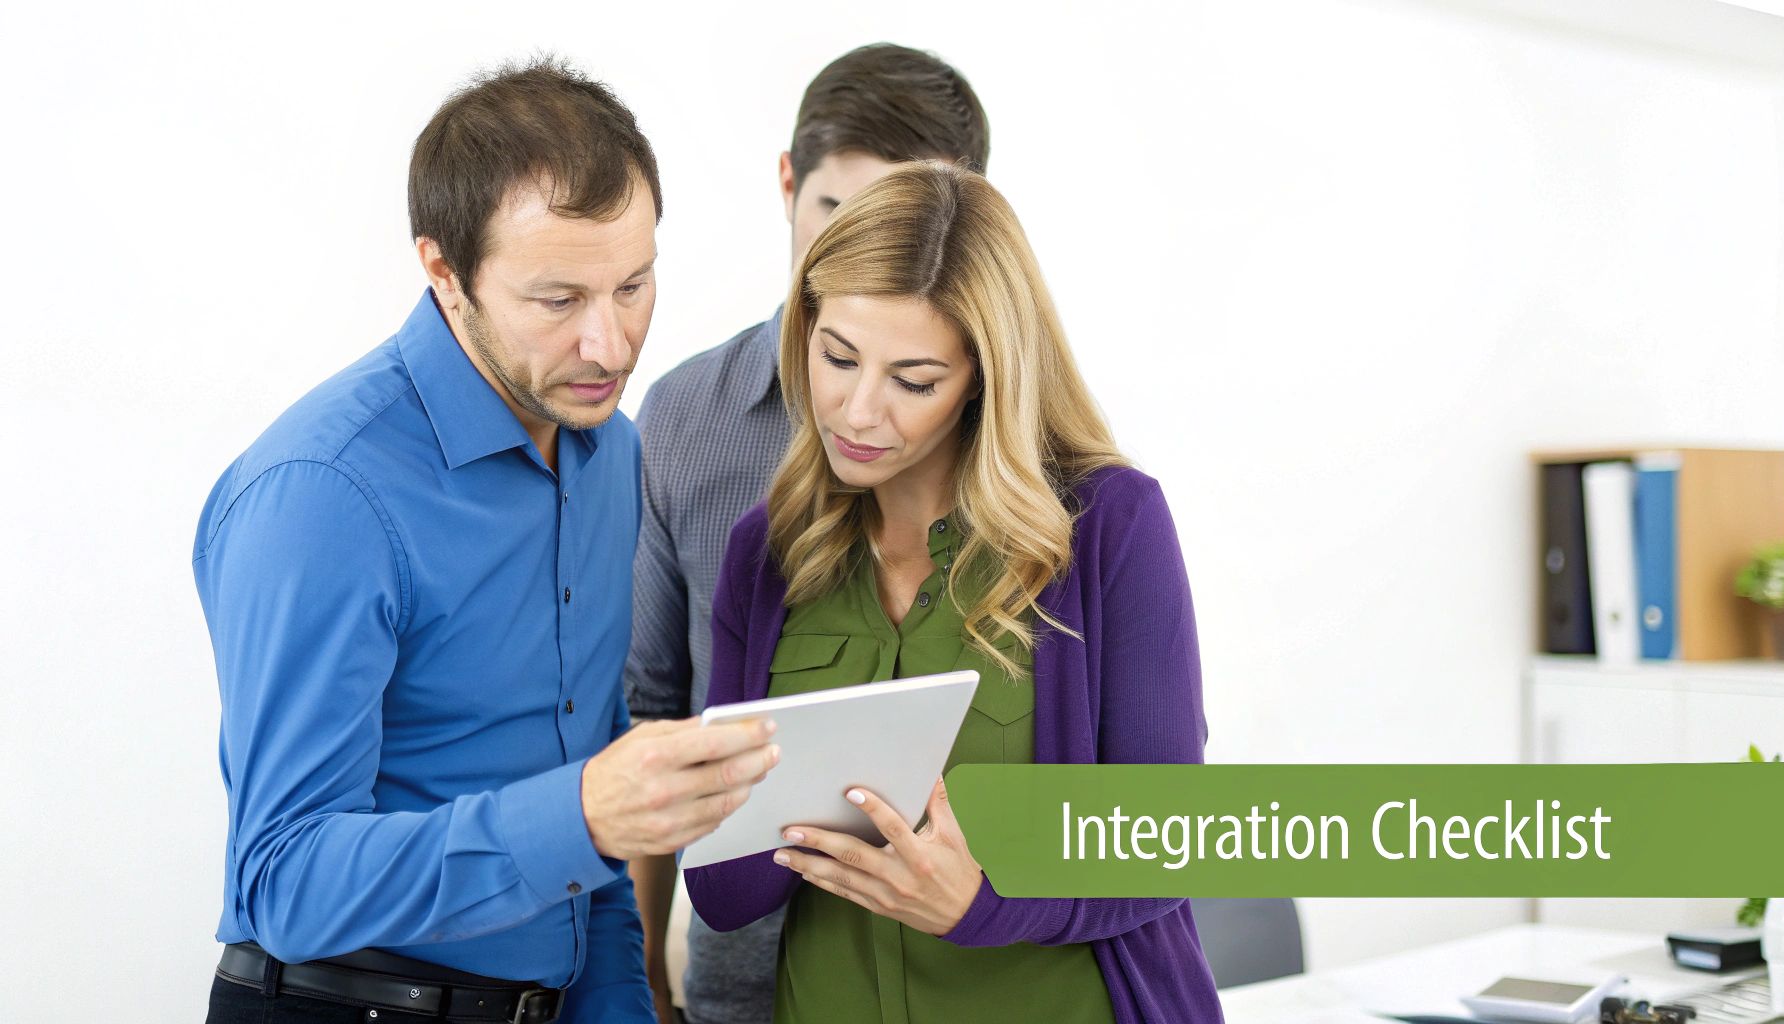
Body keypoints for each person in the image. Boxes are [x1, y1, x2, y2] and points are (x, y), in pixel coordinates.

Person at [193, 57, 779, 1024]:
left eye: (634, 285)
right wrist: (579, 815)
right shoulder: (323, 493)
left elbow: (594, 800)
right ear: (444, 271)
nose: (612, 345)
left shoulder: (610, 453)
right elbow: (283, 880)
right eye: (558, 300)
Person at [682, 162, 1223, 1023]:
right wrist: (746, 802)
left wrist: (979, 904)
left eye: (914, 380)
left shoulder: (1108, 525)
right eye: (838, 357)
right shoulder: (767, 553)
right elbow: (721, 894)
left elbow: (1171, 838)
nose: (858, 411)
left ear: (983, 378)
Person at [622, 43, 990, 1024]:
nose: (865, 254)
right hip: (746, 982)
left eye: (904, 221)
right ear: (788, 185)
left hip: (974, 974)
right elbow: (650, 717)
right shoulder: (685, 420)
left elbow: (1138, 789)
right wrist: (641, 973)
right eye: (838, 211)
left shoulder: (1041, 472)